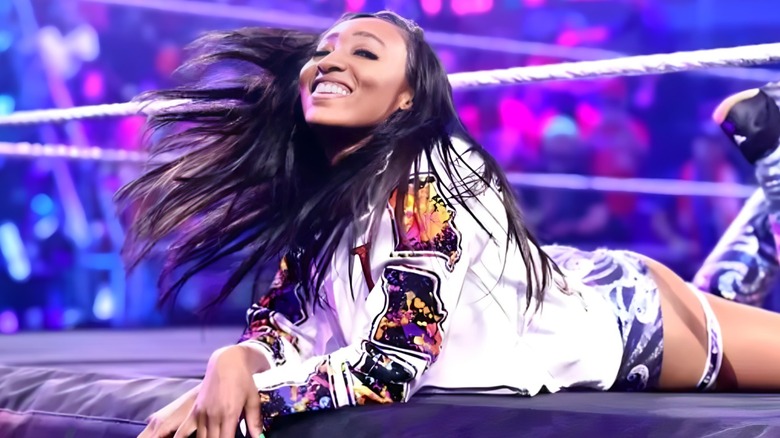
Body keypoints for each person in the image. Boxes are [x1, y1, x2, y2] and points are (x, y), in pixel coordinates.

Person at [124, 11, 780, 438]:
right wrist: (235, 359)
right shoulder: (325, 200)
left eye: (365, 52)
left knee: (735, 335)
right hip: (558, 286)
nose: (329, 60)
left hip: (630, 321)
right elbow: (281, 325)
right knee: (722, 305)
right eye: (324, 50)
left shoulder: (433, 179)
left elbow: (388, 368)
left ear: (407, 96)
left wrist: (250, 396)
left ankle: (774, 174)